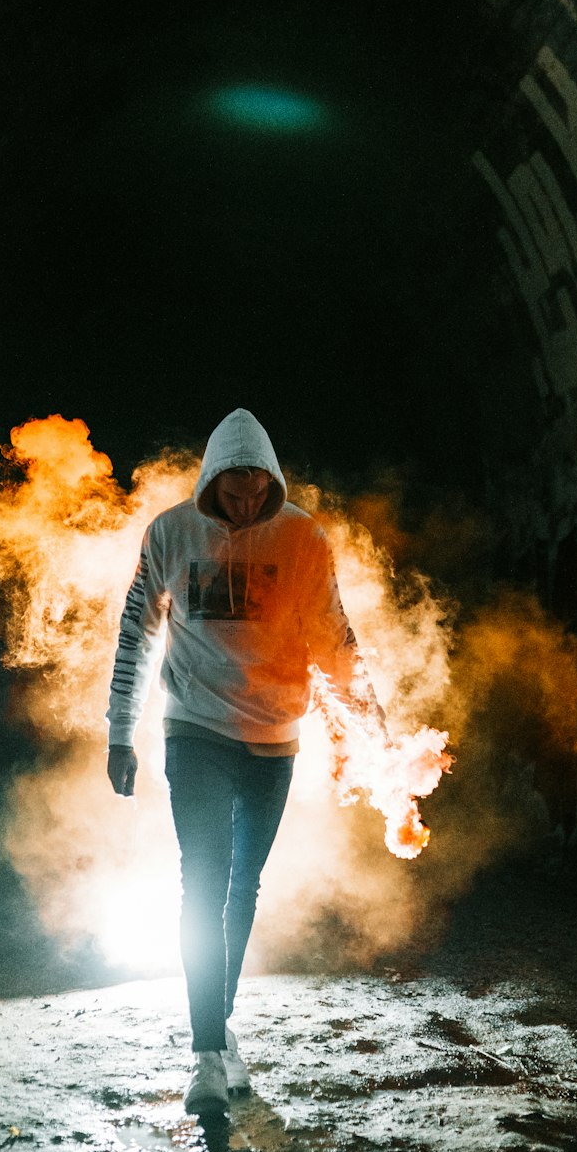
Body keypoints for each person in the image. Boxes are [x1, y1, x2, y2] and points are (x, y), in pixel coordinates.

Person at [106, 408, 386, 1116]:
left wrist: (371, 723)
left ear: (273, 479)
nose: (246, 502)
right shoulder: (172, 533)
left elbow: (333, 632)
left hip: (273, 738)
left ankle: (218, 1024)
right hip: (194, 729)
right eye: (233, 489)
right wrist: (120, 732)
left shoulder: (303, 538)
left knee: (243, 887)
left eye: (259, 488)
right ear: (211, 480)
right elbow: (136, 633)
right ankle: (204, 1055)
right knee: (200, 881)